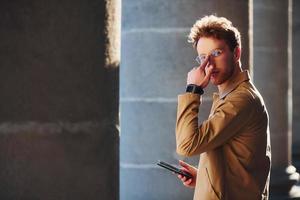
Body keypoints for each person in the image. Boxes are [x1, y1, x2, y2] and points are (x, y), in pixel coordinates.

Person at [175, 15, 271, 200]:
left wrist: (193, 89)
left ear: (236, 54)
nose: (208, 64)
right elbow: (240, 164)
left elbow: (186, 146)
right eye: (202, 57)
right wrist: (203, 178)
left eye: (216, 53)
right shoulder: (231, 95)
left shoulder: (240, 100)